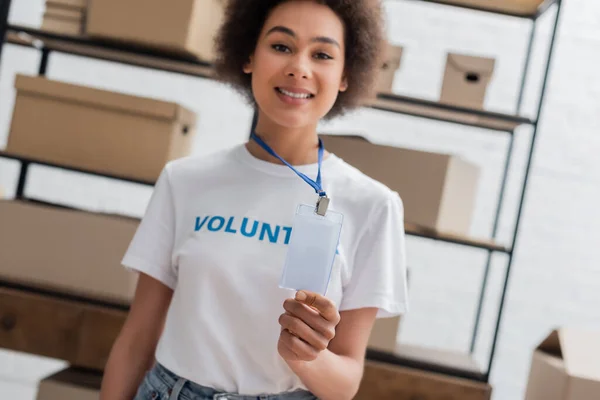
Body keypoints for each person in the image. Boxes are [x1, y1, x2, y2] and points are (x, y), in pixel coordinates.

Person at [99, 1, 408, 399]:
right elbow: (136, 339)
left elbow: (345, 383)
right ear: (248, 55)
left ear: (346, 75)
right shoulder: (185, 181)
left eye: (322, 54)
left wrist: (306, 355)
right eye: (281, 46)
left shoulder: (373, 206)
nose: (299, 67)